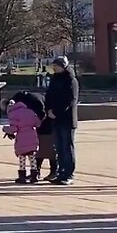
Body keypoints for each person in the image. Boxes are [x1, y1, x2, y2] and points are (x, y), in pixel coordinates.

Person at [45, 56, 79, 185]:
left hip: (66, 119)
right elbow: (48, 96)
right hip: (55, 119)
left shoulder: (71, 80)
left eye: (57, 66)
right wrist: (48, 110)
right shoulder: (54, 79)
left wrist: (56, 112)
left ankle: (69, 173)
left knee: (67, 147)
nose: (54, 68)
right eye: (53, 66)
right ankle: (61, 172)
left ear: (63, 66)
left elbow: (71, 100)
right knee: (58, 147)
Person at [10, 90, 56, 183]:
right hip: (36, 126)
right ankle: (36, 172)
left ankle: (53, 171)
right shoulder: (26, 101)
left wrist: (35, 123)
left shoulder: (34, 101)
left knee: (49, 149)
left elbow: (42, 113)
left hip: (47, 124)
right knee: (36, 150)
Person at [2, 96, 41, 183]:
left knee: (22, 159)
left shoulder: (13, 114)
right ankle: (34, 176)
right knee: (32, 158)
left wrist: (5, 129)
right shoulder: (29, 111)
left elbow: (14, 128)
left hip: (21, 140)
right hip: (32, 137)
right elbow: (37, 123)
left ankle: (22, 176)